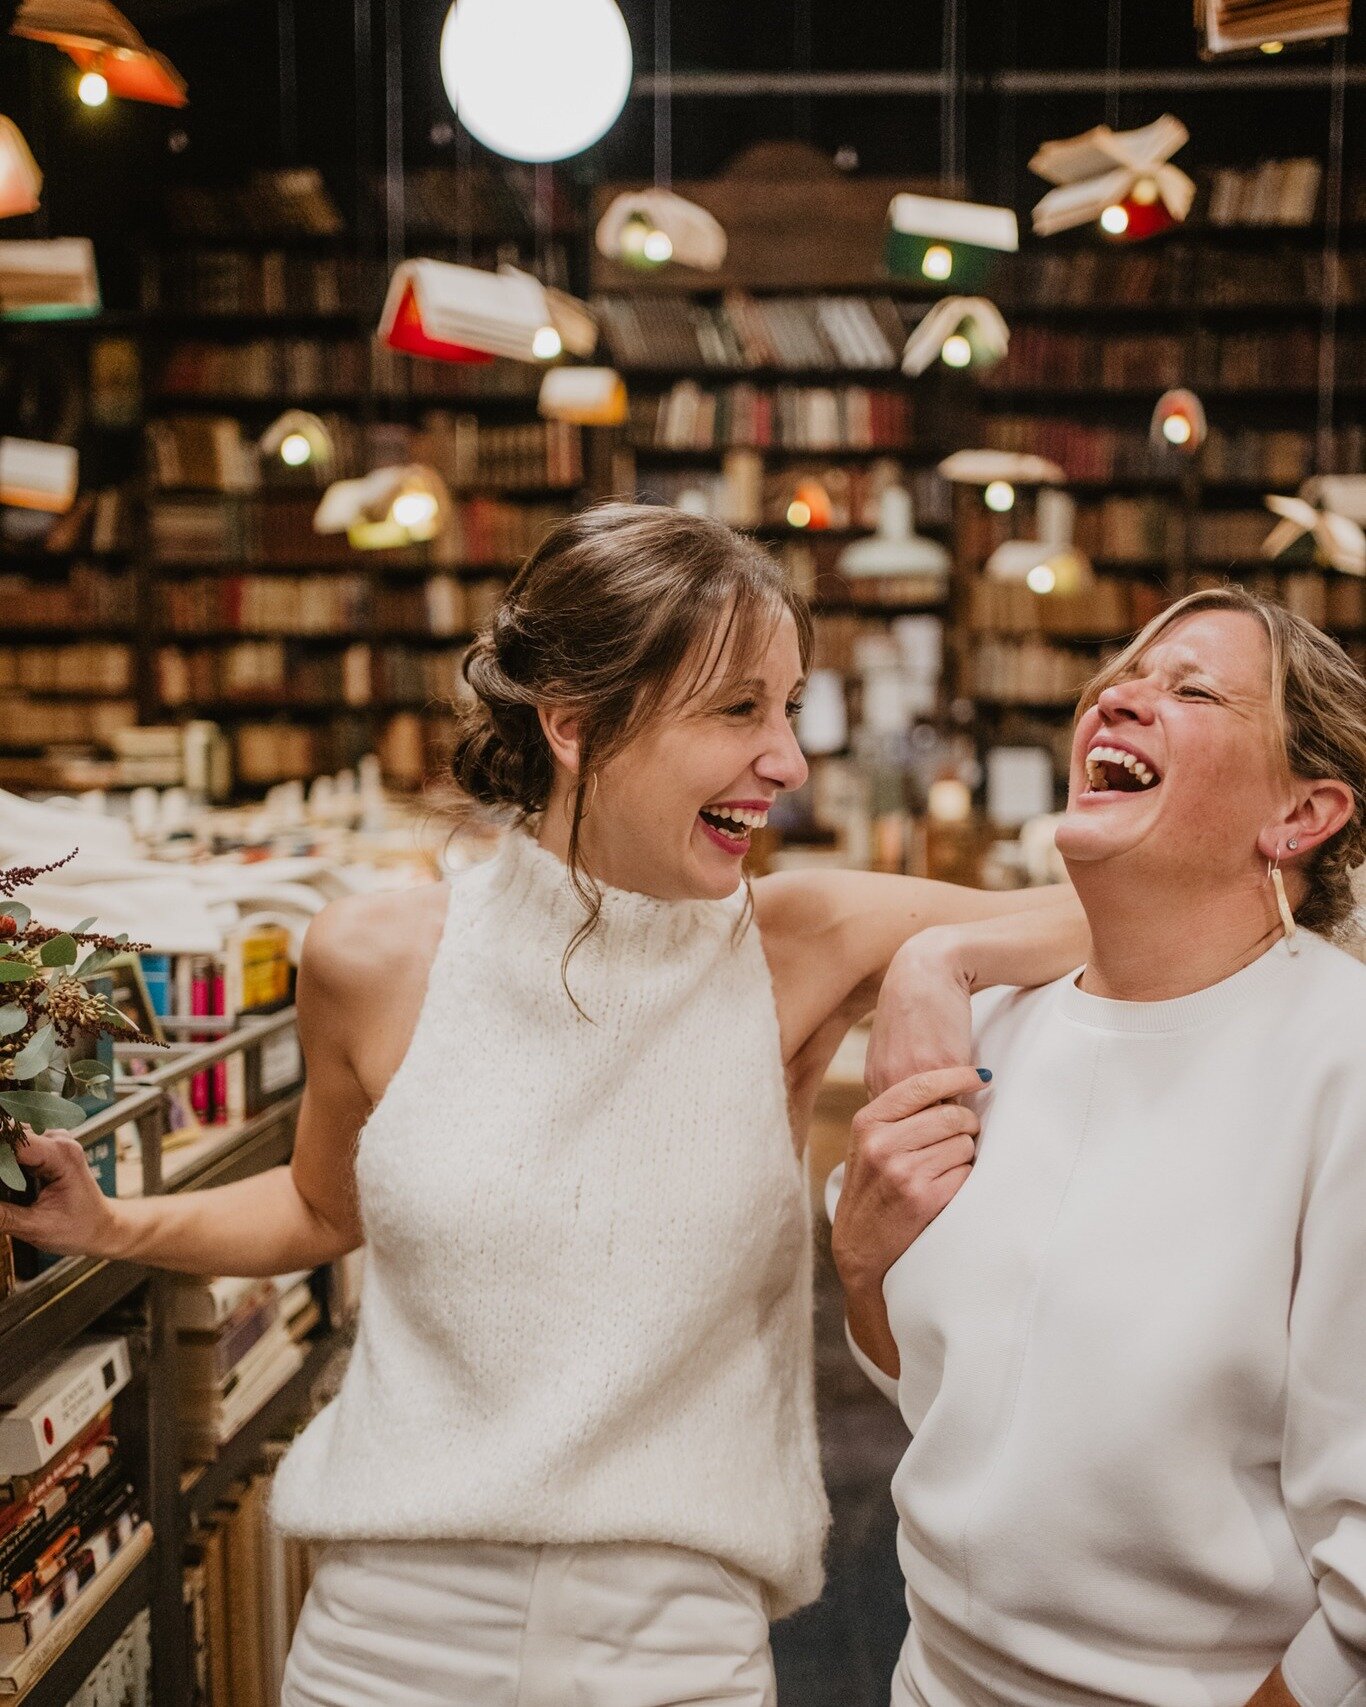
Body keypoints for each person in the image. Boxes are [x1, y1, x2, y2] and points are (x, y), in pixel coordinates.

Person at [0, 504, 1087, 1707]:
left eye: (787, 707)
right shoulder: (371, 957)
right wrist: (116, 1226)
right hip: (383, 1641)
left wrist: (940, 958)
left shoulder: (797, 943)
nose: (787, 758)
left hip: (676, 1647)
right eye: (738, 710)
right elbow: (318, 1209)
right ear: (575, 725)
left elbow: (1124, 921)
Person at [831, 585, 1366, 1707]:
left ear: (1301, 814)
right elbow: (936, 1395)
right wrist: (862, 1262)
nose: (1122, 696)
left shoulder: (1341, 1068)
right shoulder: (987, 1034)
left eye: (1189, 688)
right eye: (1123, 675)